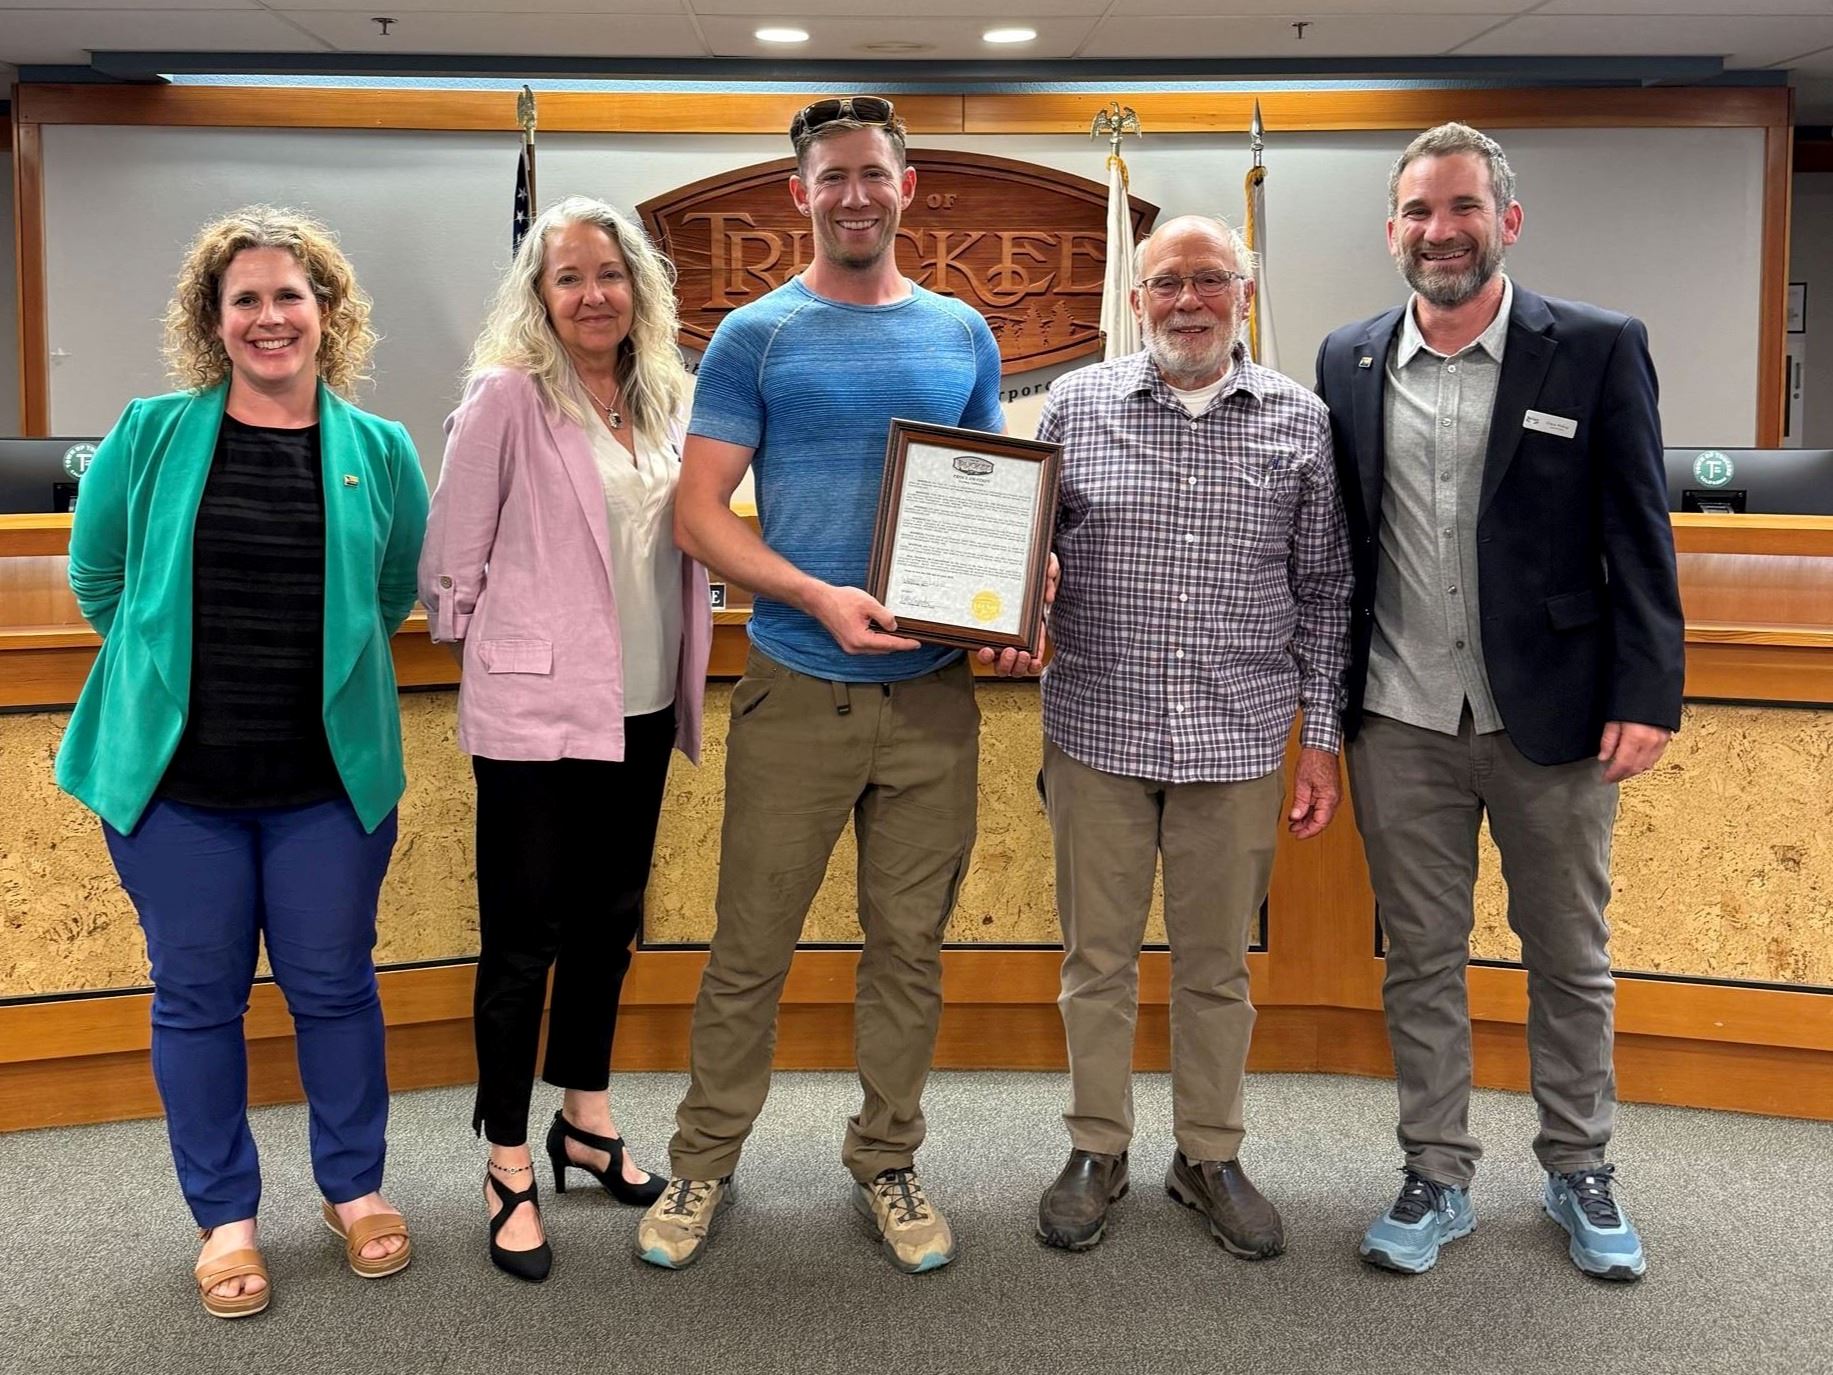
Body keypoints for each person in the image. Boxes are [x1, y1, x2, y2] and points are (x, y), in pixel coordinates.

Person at [635, 94, 1039, 1276]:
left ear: (908, 189)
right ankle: (703, 1160)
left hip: (930, 705)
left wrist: (1024, 578)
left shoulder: (963, 333)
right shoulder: (757, 337)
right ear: (798, 194)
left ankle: (888, 1157)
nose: (854, 194)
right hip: (797, 689)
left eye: (873, 173)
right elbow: (699, 513)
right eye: (831, 177)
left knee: (908, 948)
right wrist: (814, 594)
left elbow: (984, 493)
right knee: (750, 946)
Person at [1314, 123, 1684, 1281]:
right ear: (1392, 231)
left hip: (1556, 717)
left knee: (1568, 953)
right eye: (1419, 212)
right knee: (1420, 955)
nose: (1441, 231)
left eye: (1463, 207)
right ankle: (1437, 1169)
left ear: (1506, 222)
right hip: (1402, 715)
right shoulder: (1347, 358)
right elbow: (1335, 543)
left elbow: (1640, 530)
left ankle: (1579, 1164)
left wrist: (1648, 688)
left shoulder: (1596, 348)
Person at [55, 207, 426, 1318]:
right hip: (178, 794)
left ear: (328, 313)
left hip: (326, 788)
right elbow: (100, 580)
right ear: (214, 322)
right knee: (197, 1000)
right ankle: (224, 1218)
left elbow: (391, 591)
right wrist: (169, 677)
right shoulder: (152, 431)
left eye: (290, 296)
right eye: (246, 299)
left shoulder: (382, 450)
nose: (270, 317)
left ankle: (354, 1191)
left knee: (335, 988)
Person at [1032, 215, 1351, 1260]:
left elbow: (1327, 591)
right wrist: (1012, 606)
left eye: (1210, 278)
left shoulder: (1301, 422)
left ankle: (1207, 1152)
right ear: (1136, 301)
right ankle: (1098, 1146)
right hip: (1097, 731)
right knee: (1097, 960)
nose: (1187, 299)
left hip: (1240, 738)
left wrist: (1324, 739)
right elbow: (1022, 556)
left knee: (1217, 965)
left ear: (1243, 297)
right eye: (1165, 281)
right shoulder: (1072, 407)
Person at [420, 196, 712, 1283]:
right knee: (521, 943)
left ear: (639, 287)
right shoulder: (505, 397)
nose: (592, 295)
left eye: (609, 273)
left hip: (638, 707)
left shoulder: (667, 396)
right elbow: (453, 558)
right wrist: (503, 647)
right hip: (538, 718)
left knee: (608, 927)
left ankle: (583, 1122)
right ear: (539, 297)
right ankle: (506, 1161)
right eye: (568, 277)